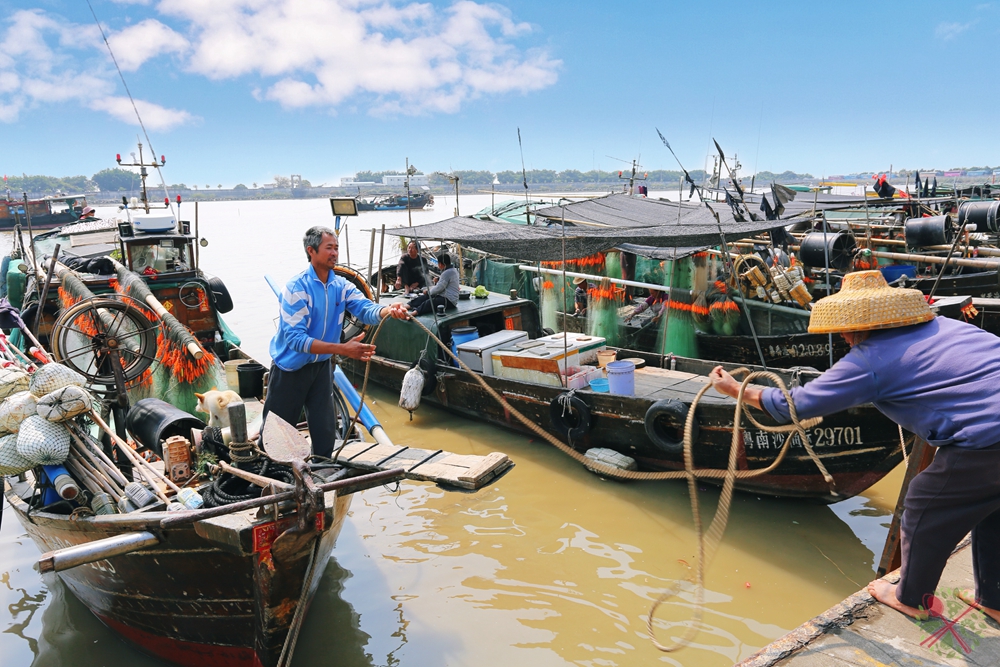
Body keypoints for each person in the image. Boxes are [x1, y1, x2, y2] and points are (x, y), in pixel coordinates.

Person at [708, 270, 1000, 621]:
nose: (844, 337)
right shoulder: (951, 328)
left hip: (987, 440)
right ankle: (993, 599)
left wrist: (734, 390)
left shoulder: (872, 361)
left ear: (863, 326)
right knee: (991, 507)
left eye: (847, 328)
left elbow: (795, 405)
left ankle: (911, 598)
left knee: (925, 505)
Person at [263, 226, 409, 457]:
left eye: (336, 248)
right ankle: (275, 476)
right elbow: (296, 340)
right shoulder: (296, 288)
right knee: (278, 432)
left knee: (325, 427)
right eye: (329, 248)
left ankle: (323, 469)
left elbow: (365, 309)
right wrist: (343, 349)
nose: (334, 253)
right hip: (290, 369)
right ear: (311, 251)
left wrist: (388, 310)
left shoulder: (341, 286)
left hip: (321, 366)